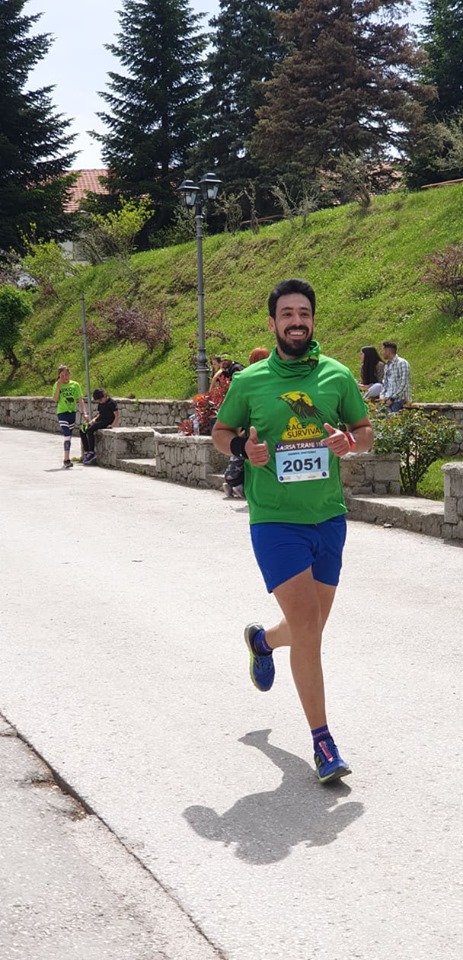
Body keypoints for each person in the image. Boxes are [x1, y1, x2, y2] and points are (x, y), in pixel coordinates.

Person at [212, 278, 373, 784]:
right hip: (275, 521)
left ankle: (262, 641)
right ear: (273, 323)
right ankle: (323, 742)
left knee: (308, 628)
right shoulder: (250, 381)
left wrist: (351, 443)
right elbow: (220, 432)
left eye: (304, 312)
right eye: (287, 314)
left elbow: (365, 432)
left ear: (313, 319)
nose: (296, 321)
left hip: (328, 517)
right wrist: (243, 449)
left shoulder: (337, 376)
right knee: (308, 628)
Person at [222, 347, 270, 499]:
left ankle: (232, 480)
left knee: (240, 453)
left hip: (245, 424)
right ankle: (237, 483)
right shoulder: (271, 378)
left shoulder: (246, 377)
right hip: (262, 424)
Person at [52, 365, 88, 468]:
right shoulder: (57, 385)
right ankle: (66, 459)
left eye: (67, 375)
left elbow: (80, 399)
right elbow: (55, 399)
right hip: (62, 412)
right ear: (59, 376)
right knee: (67, 433)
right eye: (62, 375)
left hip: (72, 413)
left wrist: (84, 412)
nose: (65, 377)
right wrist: (58, 386)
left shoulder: (75, 385)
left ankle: (67, 460)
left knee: (69, 436)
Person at [80, 388, 120, 464]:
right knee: (82, 429)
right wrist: (94, 420)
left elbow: (117, 416)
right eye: (98, 401)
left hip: (107, 421)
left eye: (100, 400)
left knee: (90, 430)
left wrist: (112, 425)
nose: (100, 402)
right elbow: (100, 414)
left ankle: (91, 452)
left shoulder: (111, 403)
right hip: (100, 420)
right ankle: (87, 450)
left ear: (105, 396)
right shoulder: (101, 403)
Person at [379, 341, 411, 413]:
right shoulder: (387, 365)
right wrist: (382, 396)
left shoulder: (402, 363)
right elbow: (385, 384)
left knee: (389, 416)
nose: (382, 353)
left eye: (383, 350)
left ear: (388, 351)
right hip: (387, 399)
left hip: (399, 400)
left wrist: (392, 398)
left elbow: (404, 384)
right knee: (378, 416)